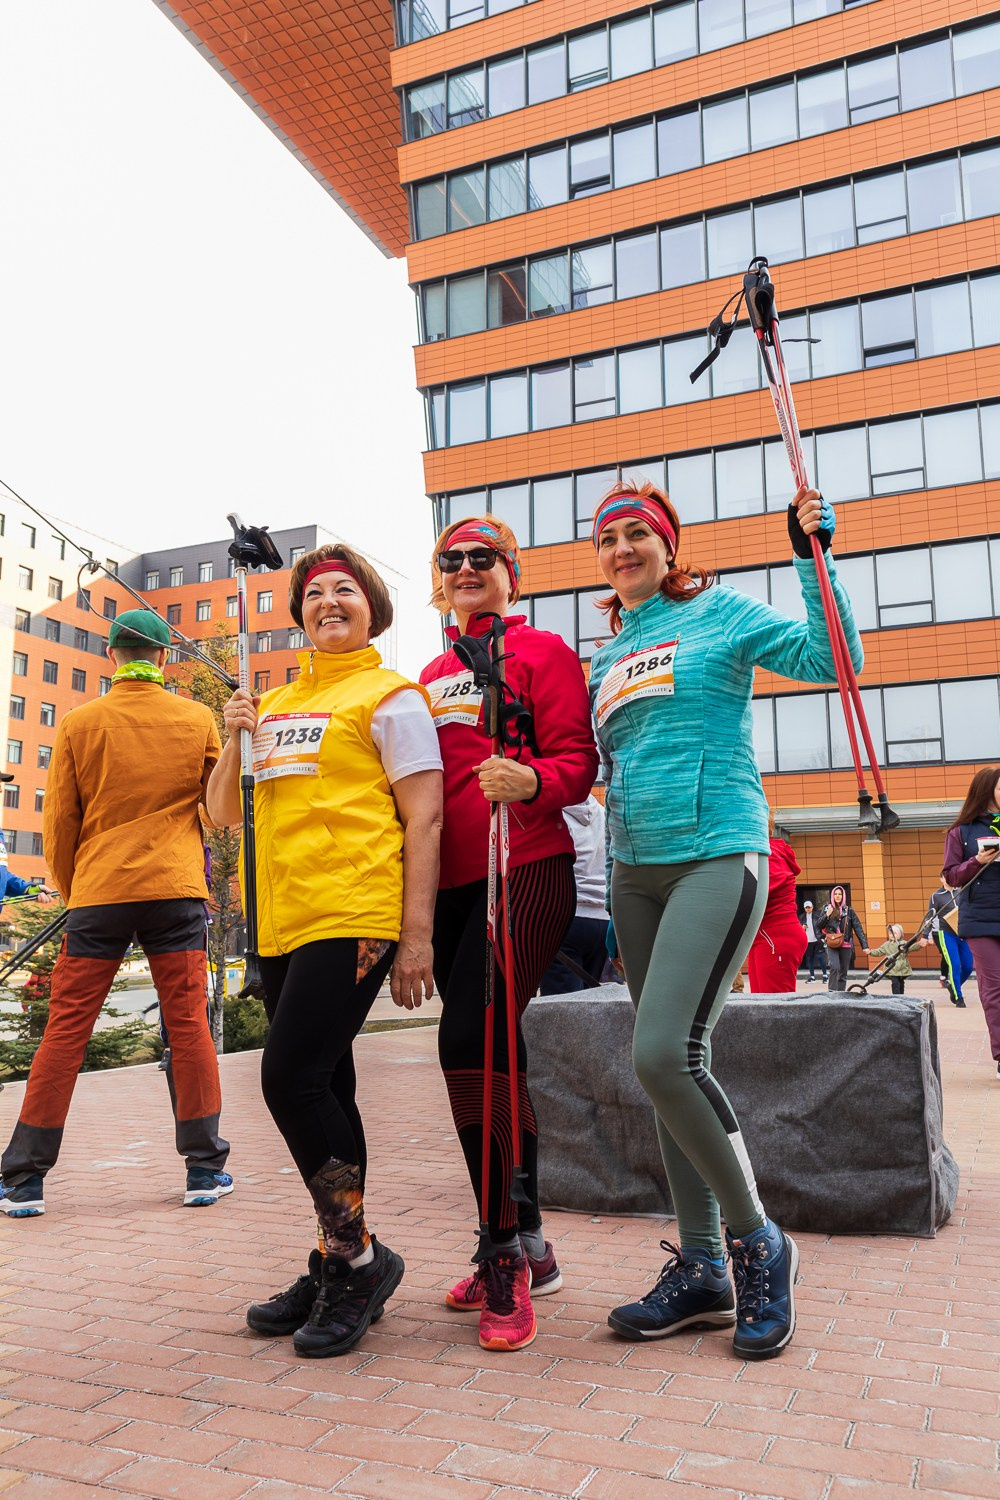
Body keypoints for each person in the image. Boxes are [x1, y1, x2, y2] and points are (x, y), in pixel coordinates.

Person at [589, 477, 861, 1361]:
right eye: (609, 538)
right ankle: (702, 1269)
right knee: (672, 1071)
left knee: (664, 1053)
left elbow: (833, 661)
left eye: (639, 534)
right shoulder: (606, 657)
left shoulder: (722, 613)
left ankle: (757, 1243)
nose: (623, 548)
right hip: (635, 870)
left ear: (669, 546)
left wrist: (810, 556)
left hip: (717, 850)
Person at [208, 543, 442, 1358]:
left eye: (346, 590)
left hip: (356, 911)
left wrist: (417, 936)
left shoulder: (391, 697)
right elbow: (221, 817)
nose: (328, 602)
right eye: (314, 594)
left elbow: (426, 819)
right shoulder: (271, 704)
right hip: (281, 922)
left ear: (373, 609)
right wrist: (233, 734)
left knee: (289, 1076)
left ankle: (357, 1259)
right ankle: (339, 1255)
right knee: (329, 1085)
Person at [420, 516, 598, 1353]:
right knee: (498, 1056)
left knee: (470, 1042)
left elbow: (577, 762)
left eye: (481, 559)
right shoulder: (427, 672)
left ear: (510, 575)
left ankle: (501, 1257)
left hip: (523, 866)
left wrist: (531, 777)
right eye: (451, 560)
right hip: (452, 881)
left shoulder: (545, 652)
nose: (465, 569)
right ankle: (530, 1239)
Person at [0, 610, 232, 1219]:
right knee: (188, 1026)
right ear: (162, 659)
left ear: (111, 654)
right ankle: (204, 1168)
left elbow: (61, 825)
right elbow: (216, 812)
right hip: (175, 891)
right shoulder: (196, 718)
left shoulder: (80, 723)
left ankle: (24, 1179)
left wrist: (75, 890)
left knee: (66, 1029)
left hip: (98, 894)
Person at [942, 766, 1000, 1074]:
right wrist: (977, 860)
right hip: (980, 919)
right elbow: (950, 876)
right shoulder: (962, 831)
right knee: (994, 989)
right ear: (987, 791)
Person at [539, 795, 610, 994]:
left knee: (561, 1005)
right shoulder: (603, 813)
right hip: (602, 919)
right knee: (588, 1001)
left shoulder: (552, 815)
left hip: (566, 917)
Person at [746, 815, 807, 994]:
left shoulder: (770, 855)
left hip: (775, 937)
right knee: (762, 1005)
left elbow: (752, 894)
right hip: (766, 936)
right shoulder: (762, 854)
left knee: (775, 1010)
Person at [920, 879, 974, 1008]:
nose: (949, 879)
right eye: (945, 876)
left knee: (968, 966)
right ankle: (958, 997)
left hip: (962, 934)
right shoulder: (936, 896)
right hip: (946, 934)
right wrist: (925, 935)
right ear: (941, 879)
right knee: (954, 964)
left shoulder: (961, 892)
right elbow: (930, 916)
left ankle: (954, 986)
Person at [819, 885, 869, 992]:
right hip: (832, 943)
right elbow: (818, 925)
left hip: (845, 944)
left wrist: (864, 946)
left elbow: (858, 928)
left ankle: (841, 994)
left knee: (843, 972)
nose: (837, 896)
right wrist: (826, 915)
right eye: (835, 894)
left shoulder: (849, 910)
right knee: (834, 967)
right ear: (832, 895)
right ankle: (832, 991)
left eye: (840, 894)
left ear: (843, 896)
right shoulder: (827, 908)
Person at [870, 923, 912, 995]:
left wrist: (919, 944)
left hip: (902, 968)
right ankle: (896, 996)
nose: (892, 935)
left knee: (901, 983)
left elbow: (912, 947)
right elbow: (879, 951)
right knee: (895, 983)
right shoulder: (887, 944)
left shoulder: (903, 943)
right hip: (892, 967)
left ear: (900, 934)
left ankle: (901, 996)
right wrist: (870, 952)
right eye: (890, 933)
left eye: (894, 933)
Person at [800, 900, 827, 983]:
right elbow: (798, 928)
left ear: (812, 907)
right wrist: (802, 927)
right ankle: (812, 977)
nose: (808, 909)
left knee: (820, 957)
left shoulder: (817, 915)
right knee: (810, 959)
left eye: (809, 907)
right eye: (806, 907)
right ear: (804, 908)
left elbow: (823, 925)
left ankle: (825, 976)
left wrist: (823, 937)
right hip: (808, 941)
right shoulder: (801, 917)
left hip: (818, 939)